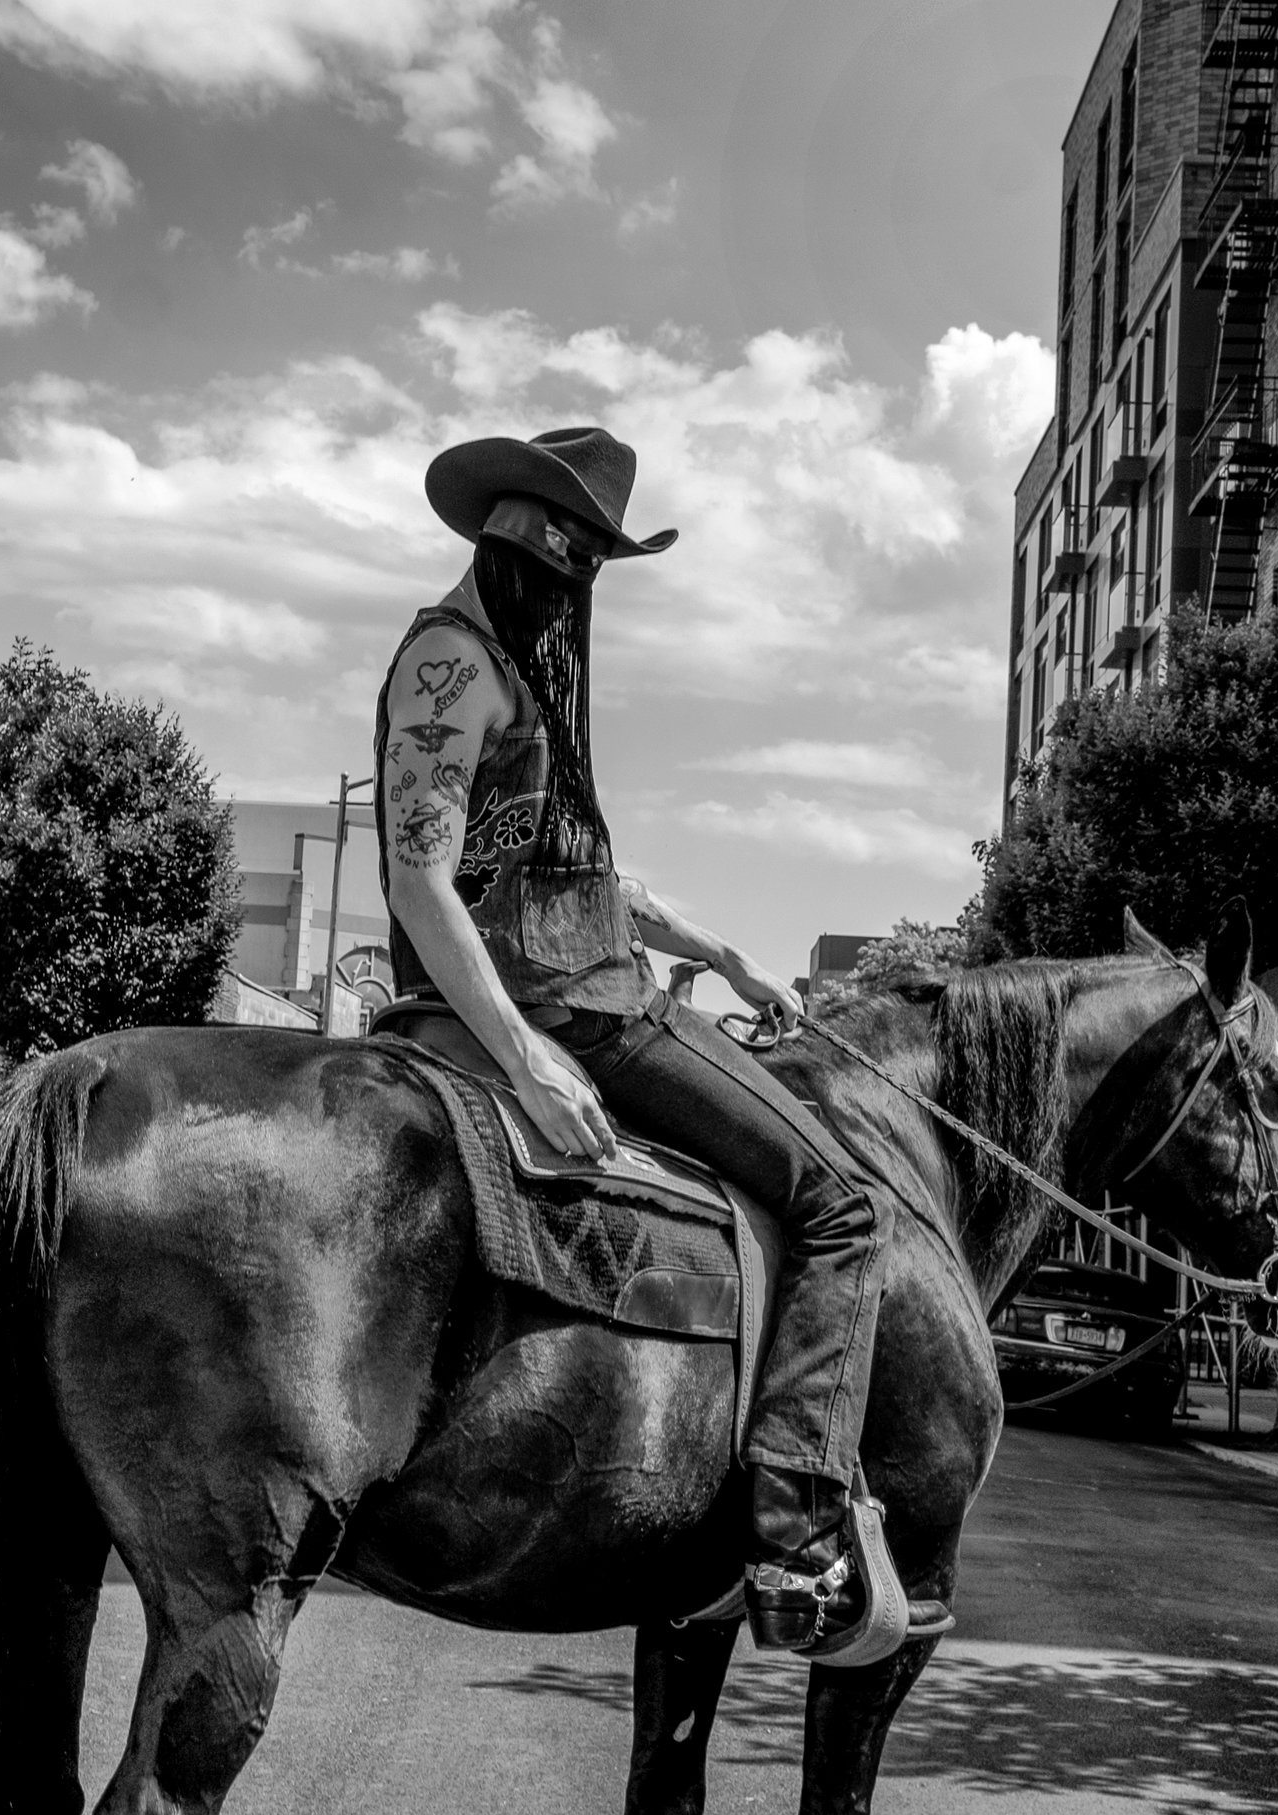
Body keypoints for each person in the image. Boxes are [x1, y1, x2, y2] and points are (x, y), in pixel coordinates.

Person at [374, 425, 891, 1653]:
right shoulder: (459, 664)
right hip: (575, 1013)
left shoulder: (497, 654)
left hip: (583, 984)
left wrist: (721, 954)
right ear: (553, 558)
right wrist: (528, 1056)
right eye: (584, 575)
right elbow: (417, 880)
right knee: (844, 1205)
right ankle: (793, 1535)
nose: (585, 604)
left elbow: (583, 874)